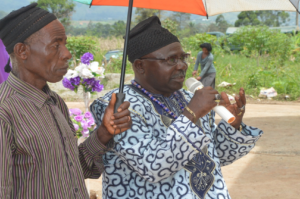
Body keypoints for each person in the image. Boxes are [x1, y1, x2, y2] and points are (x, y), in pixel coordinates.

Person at [91, 16, 263, 199]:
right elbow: (152, 166)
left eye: (183, 57)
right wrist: (191, 114)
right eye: (171, 60)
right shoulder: (119, 106)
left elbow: (214, 156)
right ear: (140, 66)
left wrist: (232, 126)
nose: (182, 66)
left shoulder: (189, 98)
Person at [0, 3, 132, 198]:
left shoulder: (55, 102)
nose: (67, 54)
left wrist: (104, 132)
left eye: (65, 44)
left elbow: (71, 169)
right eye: (56, 45)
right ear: (22, 51)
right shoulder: (5, 112)